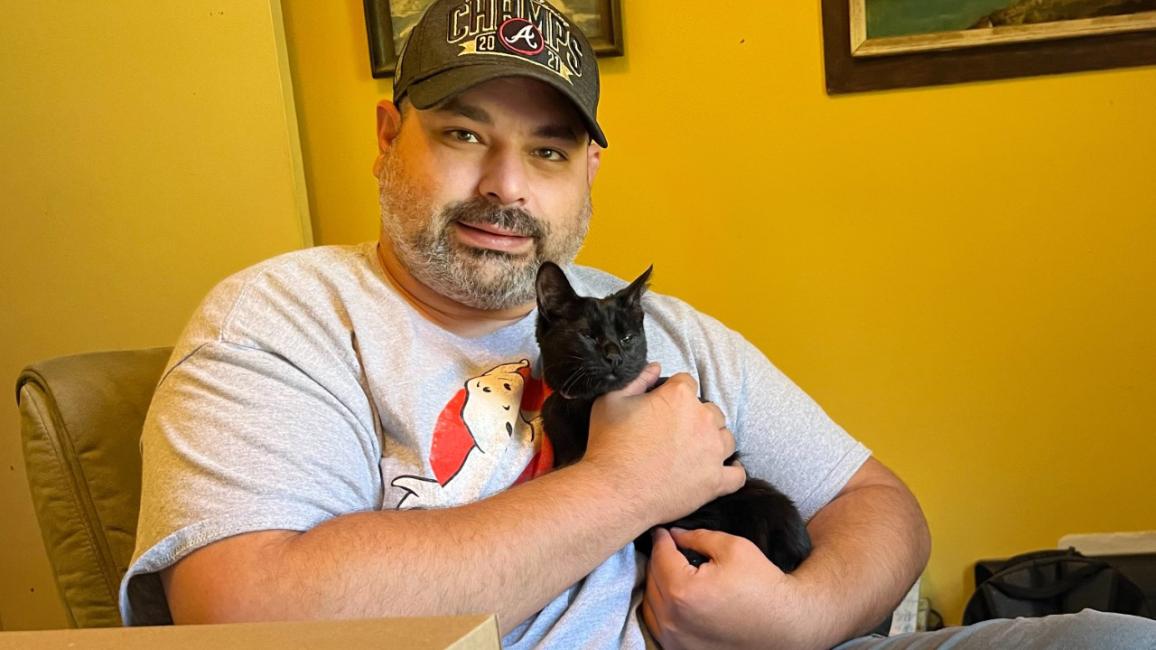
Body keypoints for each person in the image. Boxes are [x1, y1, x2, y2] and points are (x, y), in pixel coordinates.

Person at [119, 0, 1156, 648]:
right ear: (389, 137)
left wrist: (797, 616)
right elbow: (241, 611)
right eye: (462, 133)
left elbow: (879, 503)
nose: (502, 187)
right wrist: (622, 484)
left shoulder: (648, 317)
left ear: (589, 173)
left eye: (549, 152)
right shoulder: (283, 318)